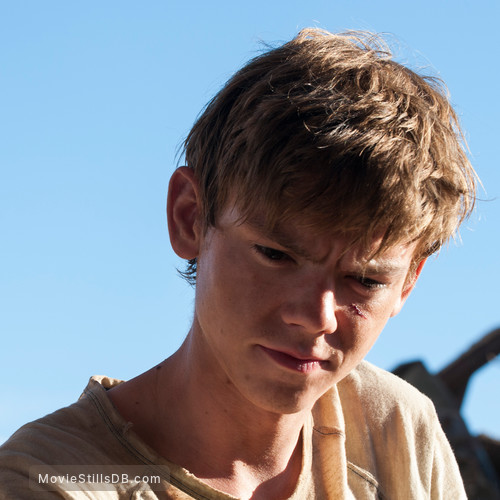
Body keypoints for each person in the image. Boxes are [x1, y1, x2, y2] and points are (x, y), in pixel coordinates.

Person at [0, 28, 477, 499]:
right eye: (276, 255)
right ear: (190, 218)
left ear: (409, 281)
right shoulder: (49, 481)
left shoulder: (396, 432)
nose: (315, 316)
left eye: (364, 280)